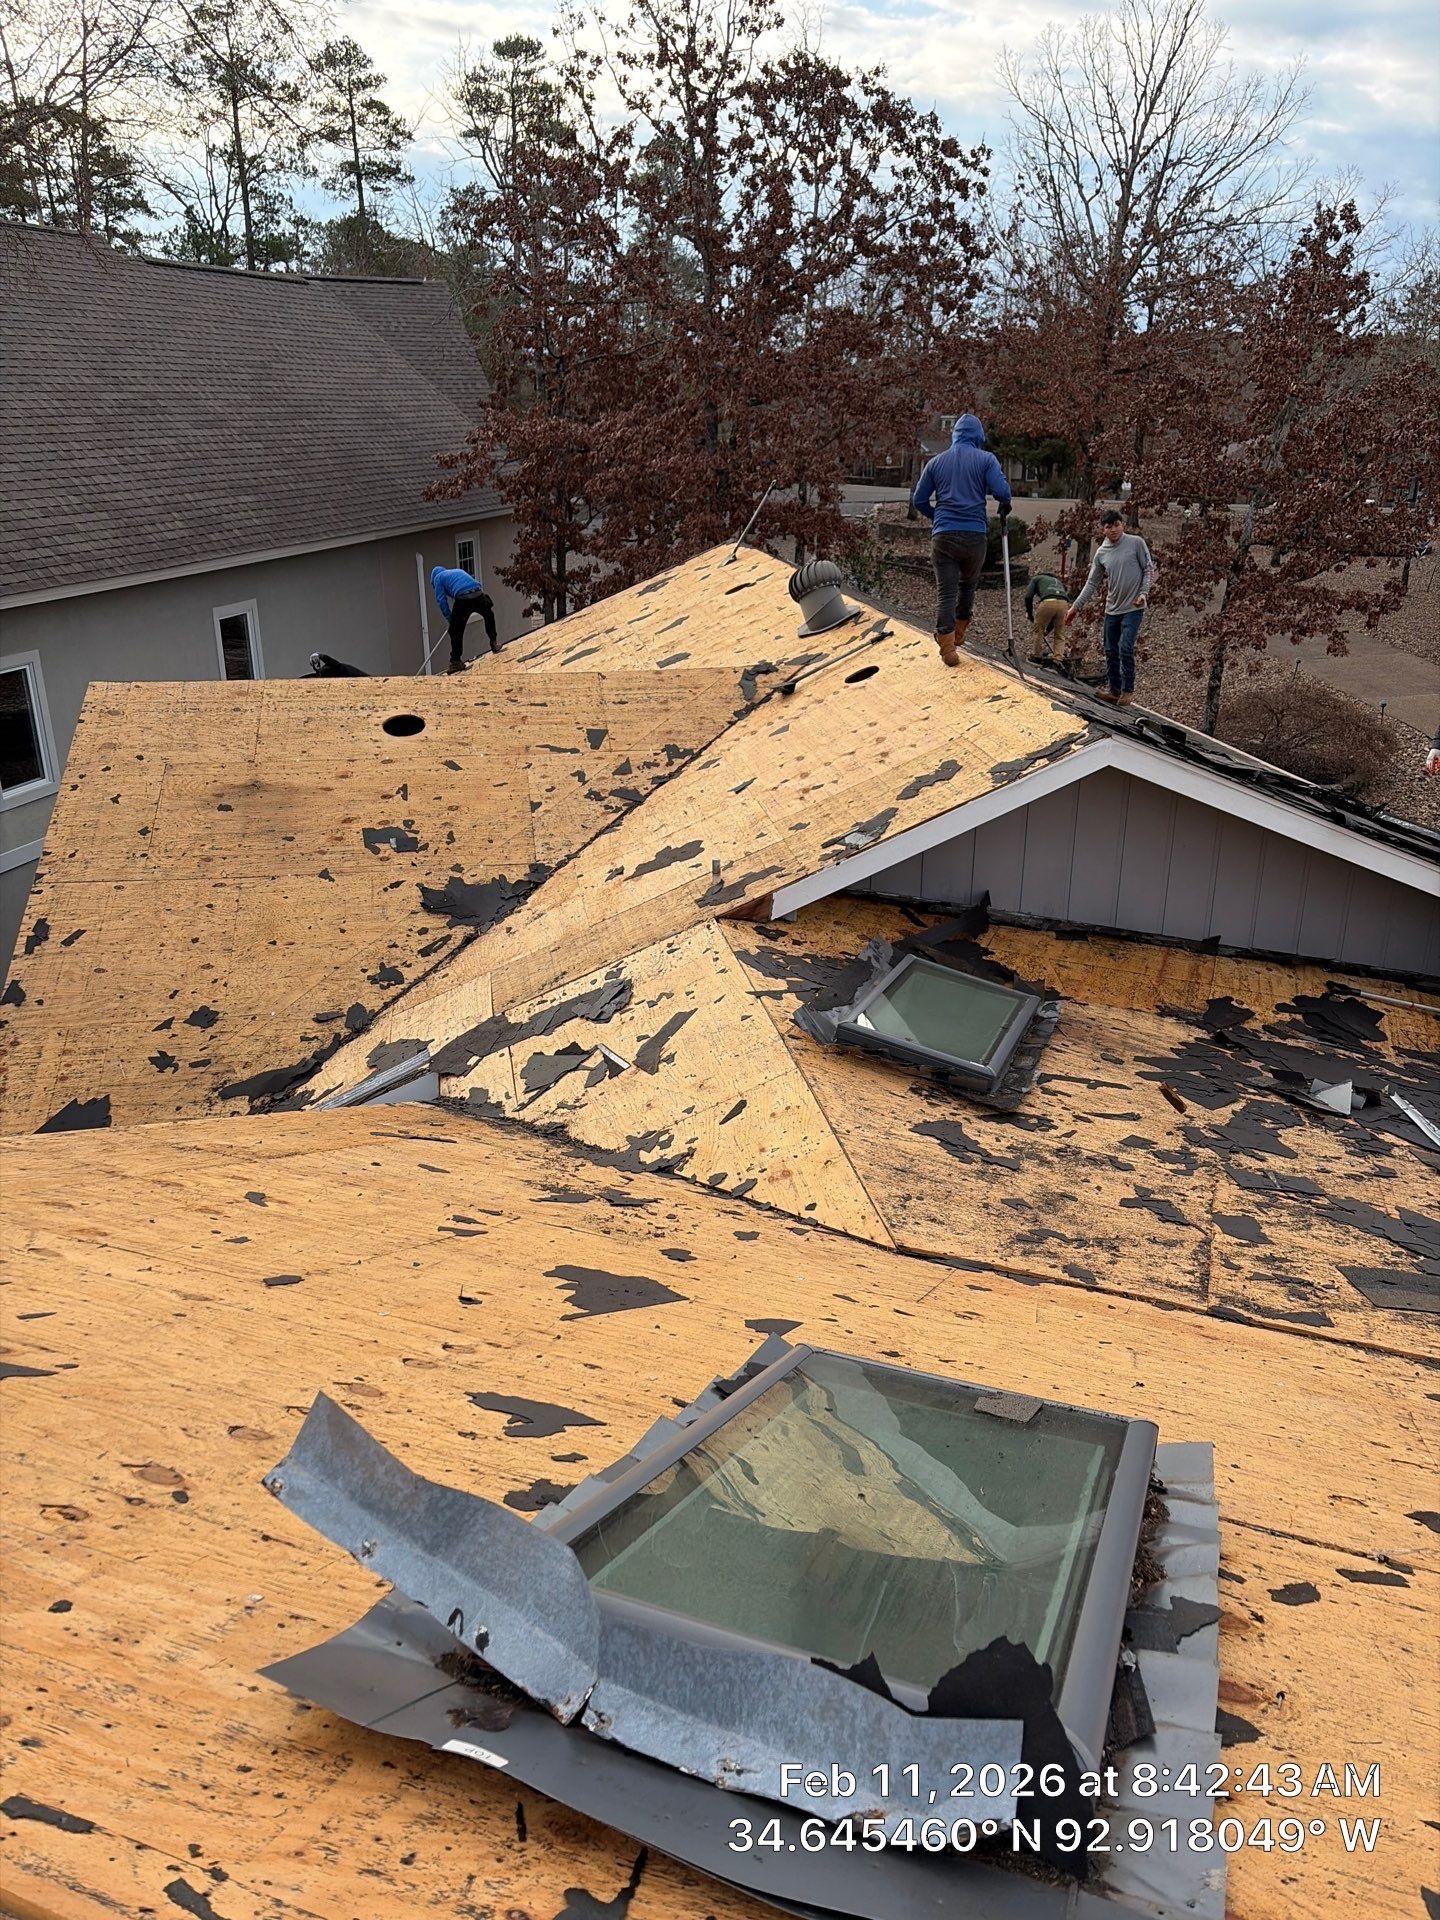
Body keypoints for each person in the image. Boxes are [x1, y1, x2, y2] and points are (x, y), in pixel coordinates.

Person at [911, 413, 1012, 666]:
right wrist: (1005, 502)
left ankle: (947, 647)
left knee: (946, 591)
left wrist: (937, 517)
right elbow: (1002, 492)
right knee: (968, 585)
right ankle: (959, 633)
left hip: (944, 536)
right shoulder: (986, 459)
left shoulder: (936, 462)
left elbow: (919, 500)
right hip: (974, 535)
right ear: (978, 436)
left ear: (954, 435)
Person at [1063, 510, 1154, 707]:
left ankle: (1128, 690)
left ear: (1123, 525)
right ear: (1103, 530)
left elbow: (1148, 568)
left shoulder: (1136, 543)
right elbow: (1091, 583)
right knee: (1110, 650)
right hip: (1112, 608)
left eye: (1116, 525)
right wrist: (1075, 607)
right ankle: (1114, 690)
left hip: (1134, 606)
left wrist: (1144, 593)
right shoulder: (1102, 553)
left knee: (1125, 646)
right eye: (1108, 527)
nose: (1113, 530)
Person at [430, 565, 498, 672]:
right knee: (489, 615)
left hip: (463, 598)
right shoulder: (455, 572)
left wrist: (450, 619)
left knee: (455, 631)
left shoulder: (437, 578)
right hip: (478, 593)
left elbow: (441, 601)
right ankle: (494, 643)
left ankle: (456, 661)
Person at [1023, 568, 1071, 665]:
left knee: (1038, 630)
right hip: (1064, 603)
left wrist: (1029, 613)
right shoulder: (1057, 581)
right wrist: (1048, 631)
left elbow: (1028, 596)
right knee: (1060, 634)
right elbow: (1054, 618)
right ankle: (1058, 660)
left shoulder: (1036, 578)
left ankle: (1036, 657)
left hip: (1048, 602)